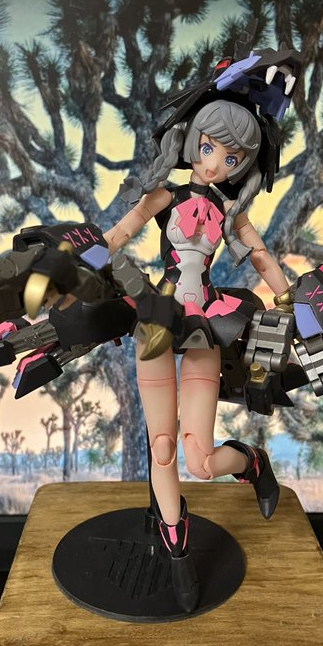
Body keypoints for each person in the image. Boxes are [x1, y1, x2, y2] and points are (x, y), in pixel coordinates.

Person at [102, 98, 291, 612]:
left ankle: (250, 460)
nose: (214, 164)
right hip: (158, 316)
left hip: (206, 319)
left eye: (231, 159)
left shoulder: (231, 210)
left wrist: (295, 302)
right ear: (191, 142)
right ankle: (177, 549)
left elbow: (260, 256)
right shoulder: (167, 194)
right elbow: (119, 233)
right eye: (208, 149)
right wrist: (74, 262)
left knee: (201, 461)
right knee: (162, 446)